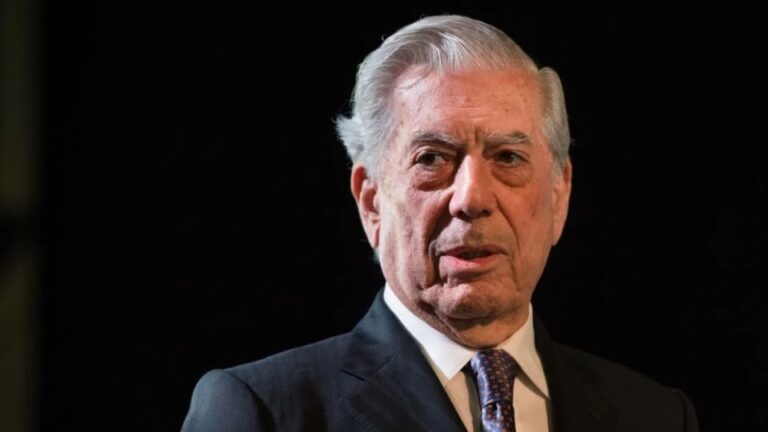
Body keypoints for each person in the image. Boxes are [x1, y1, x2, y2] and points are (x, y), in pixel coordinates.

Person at [181, 14, 698, 432]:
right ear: (371, 201)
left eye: (508, 158)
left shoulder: (656, 417)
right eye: (432, 159)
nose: (472, 198)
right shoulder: (263, 412)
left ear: (559, 196)